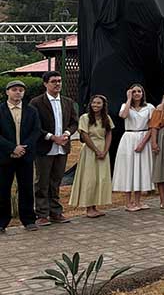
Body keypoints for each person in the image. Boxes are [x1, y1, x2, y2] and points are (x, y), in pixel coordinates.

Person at [29, 71, 78, 226]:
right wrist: (51, 137)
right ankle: (42, 214)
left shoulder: (68, 102)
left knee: (56, 181)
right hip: (45, 147)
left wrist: (67, 134)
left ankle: (56, 212)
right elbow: (34, 126)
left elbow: (74, 122)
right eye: (53, 81)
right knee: (42, 182)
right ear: (45, 84)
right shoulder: (36, 103)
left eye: (59, 81)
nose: (57, 84)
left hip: (62, 147)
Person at [1, 80, 41, 232]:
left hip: (25, 156)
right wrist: (12, 148)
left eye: (20, 90)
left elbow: (36, 130)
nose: (18, 92)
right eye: (14, 90)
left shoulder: (31, 111)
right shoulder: (1, 110)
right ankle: (2, 222)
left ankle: (29, 220)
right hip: (5, 156)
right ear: (7, 92)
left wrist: (23, 148)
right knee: (3, 189)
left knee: (26, 188)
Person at [69, 94, 113, 218]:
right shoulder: (85, 118)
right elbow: (84, 135)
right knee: (90, 178)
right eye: (94, 103)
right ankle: (88, 207)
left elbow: (109, 134)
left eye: (99, 103)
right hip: (90, 150)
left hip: (103, 149)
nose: (96, 105)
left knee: (101, 177)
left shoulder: (106, 118)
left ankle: (95, 206)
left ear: (103, 105)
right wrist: (96, 150)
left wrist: (105, 150)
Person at [113, 84, 154, 212]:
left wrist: (143, 143)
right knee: (129, 168)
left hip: (143, 137)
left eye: (139, 91)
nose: (137, 93)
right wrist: (128, 99)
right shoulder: (125, 106)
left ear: (143, 93)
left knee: (140, 168)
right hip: (129, 138)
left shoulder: (149, 107)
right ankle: (128, 202)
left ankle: (137, 201)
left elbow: (152, 126)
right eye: (134, 91)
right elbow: (123, 116)